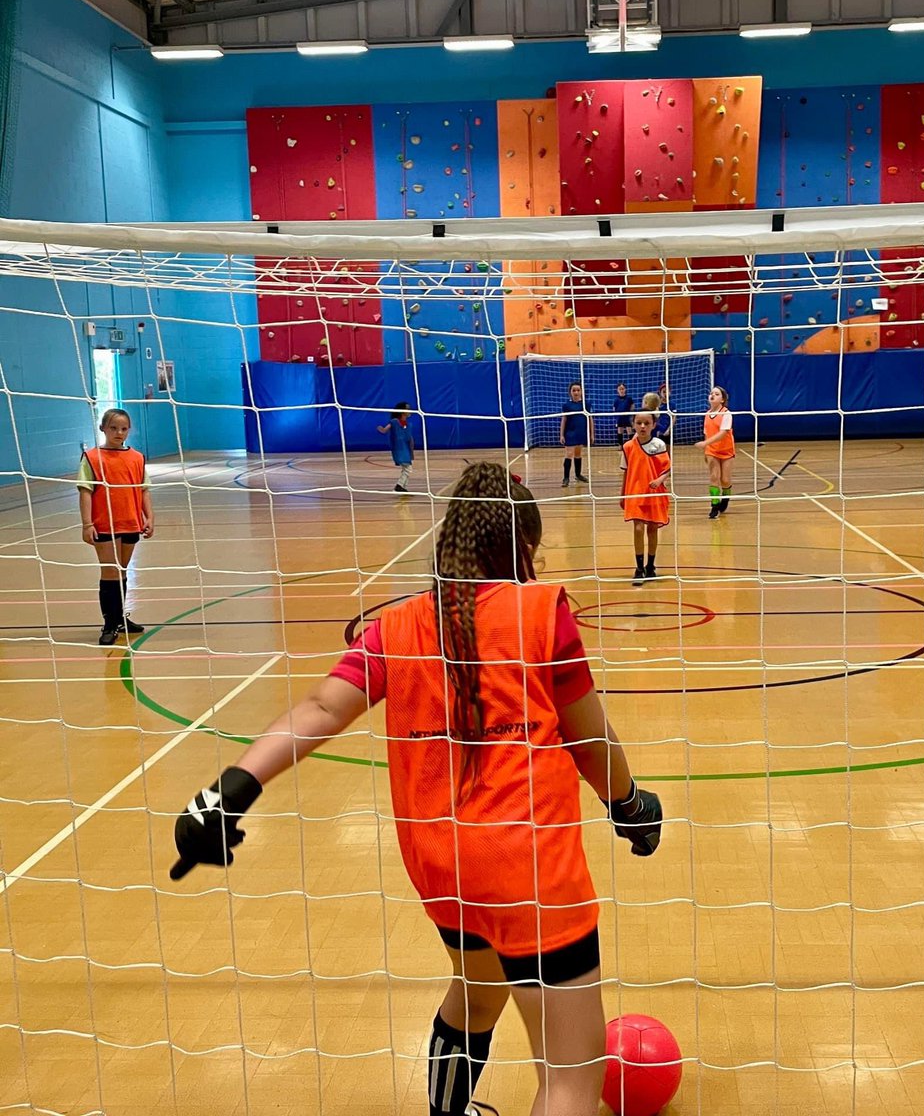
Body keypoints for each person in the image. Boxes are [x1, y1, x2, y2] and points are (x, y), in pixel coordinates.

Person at [169, 462, 663, 1116]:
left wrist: (228, 790)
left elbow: (321, 707)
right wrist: (629, 803)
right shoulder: (542, 613)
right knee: (572, 1079)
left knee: (478, 992)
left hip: (443, 865)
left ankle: (446, 1111)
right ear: (523, 549)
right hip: (530, 866)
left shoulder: (398, 626)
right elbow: (590, 742)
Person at [77, 407, 154, 646]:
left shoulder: (137, 457)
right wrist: (87, 524)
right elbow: (85, 491)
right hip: (104, 524)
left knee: (122, 571)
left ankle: (120, 619)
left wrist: (149, 517)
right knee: (109, 571)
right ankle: (109, 624)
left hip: (130, 521)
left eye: (123, 429)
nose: (119, 433)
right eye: (113, 428)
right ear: (103, 428)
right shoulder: (92, 457)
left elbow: (143, 489)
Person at [621, 409, 671, 586]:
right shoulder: (627, 447)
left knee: (652, 529)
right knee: (638, 528)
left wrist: (659, 480)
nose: (642, 426)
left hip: (654, 493)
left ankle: (651, 566)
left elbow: (667, 469)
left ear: (653, 425)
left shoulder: (658, 445)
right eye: (639, 423)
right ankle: (639, 568)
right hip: (634, 492)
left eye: (646, 423)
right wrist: (622, 495)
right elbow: (626, 473)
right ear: (633, 424)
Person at [696, 385, 735, 519]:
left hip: (726, 450)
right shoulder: (707, 415)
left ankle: (726, 496)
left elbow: (723, 433)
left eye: (717, 394)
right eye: (711, 393)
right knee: (714, 477)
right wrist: (706, 451)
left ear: (722, 399)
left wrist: (705, 444)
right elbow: (707, 434)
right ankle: (714, 506)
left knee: (725, 480)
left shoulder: (726, 413)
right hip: (712, 451)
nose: (712, 395)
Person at [377, 401, 417, 493]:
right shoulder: (394, 422)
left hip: (406, 449)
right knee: (408, 469)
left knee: (406, 468)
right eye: (407, 409)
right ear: (402, 411)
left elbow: (409, 438)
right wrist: (382, 430)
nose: (409, 411)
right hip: (399, 449)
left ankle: (403, 487)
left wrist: (411, 450)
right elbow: (385, 430)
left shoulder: (408, 424)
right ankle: (399, 485)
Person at [559, 382, 592, 488]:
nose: (576, 392)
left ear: (581, 391)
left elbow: (590, 419)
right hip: (570, 433)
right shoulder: (567, 406)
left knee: (578, 454)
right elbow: (563, 420)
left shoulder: (586, 404)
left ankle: (578, 475)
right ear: (570, 392)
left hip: (581, 432)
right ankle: (566, 478)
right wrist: (561, 435)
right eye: (574, 390)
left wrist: (592, 434)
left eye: (578, 390)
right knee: (569, 454)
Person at [612, 382, 634, 446]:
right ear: (617, 390)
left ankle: (632, 445)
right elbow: (614, 408)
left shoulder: (629, 398)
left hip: (627, 417)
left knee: (629, 431)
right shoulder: (616, 399)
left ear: (625, 389)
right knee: (620, 431)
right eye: (620, 389)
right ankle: (620, 445)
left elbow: (632, 406)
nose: (621, 390)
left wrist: (631, 415)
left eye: (623, 389)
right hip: (619, 417)